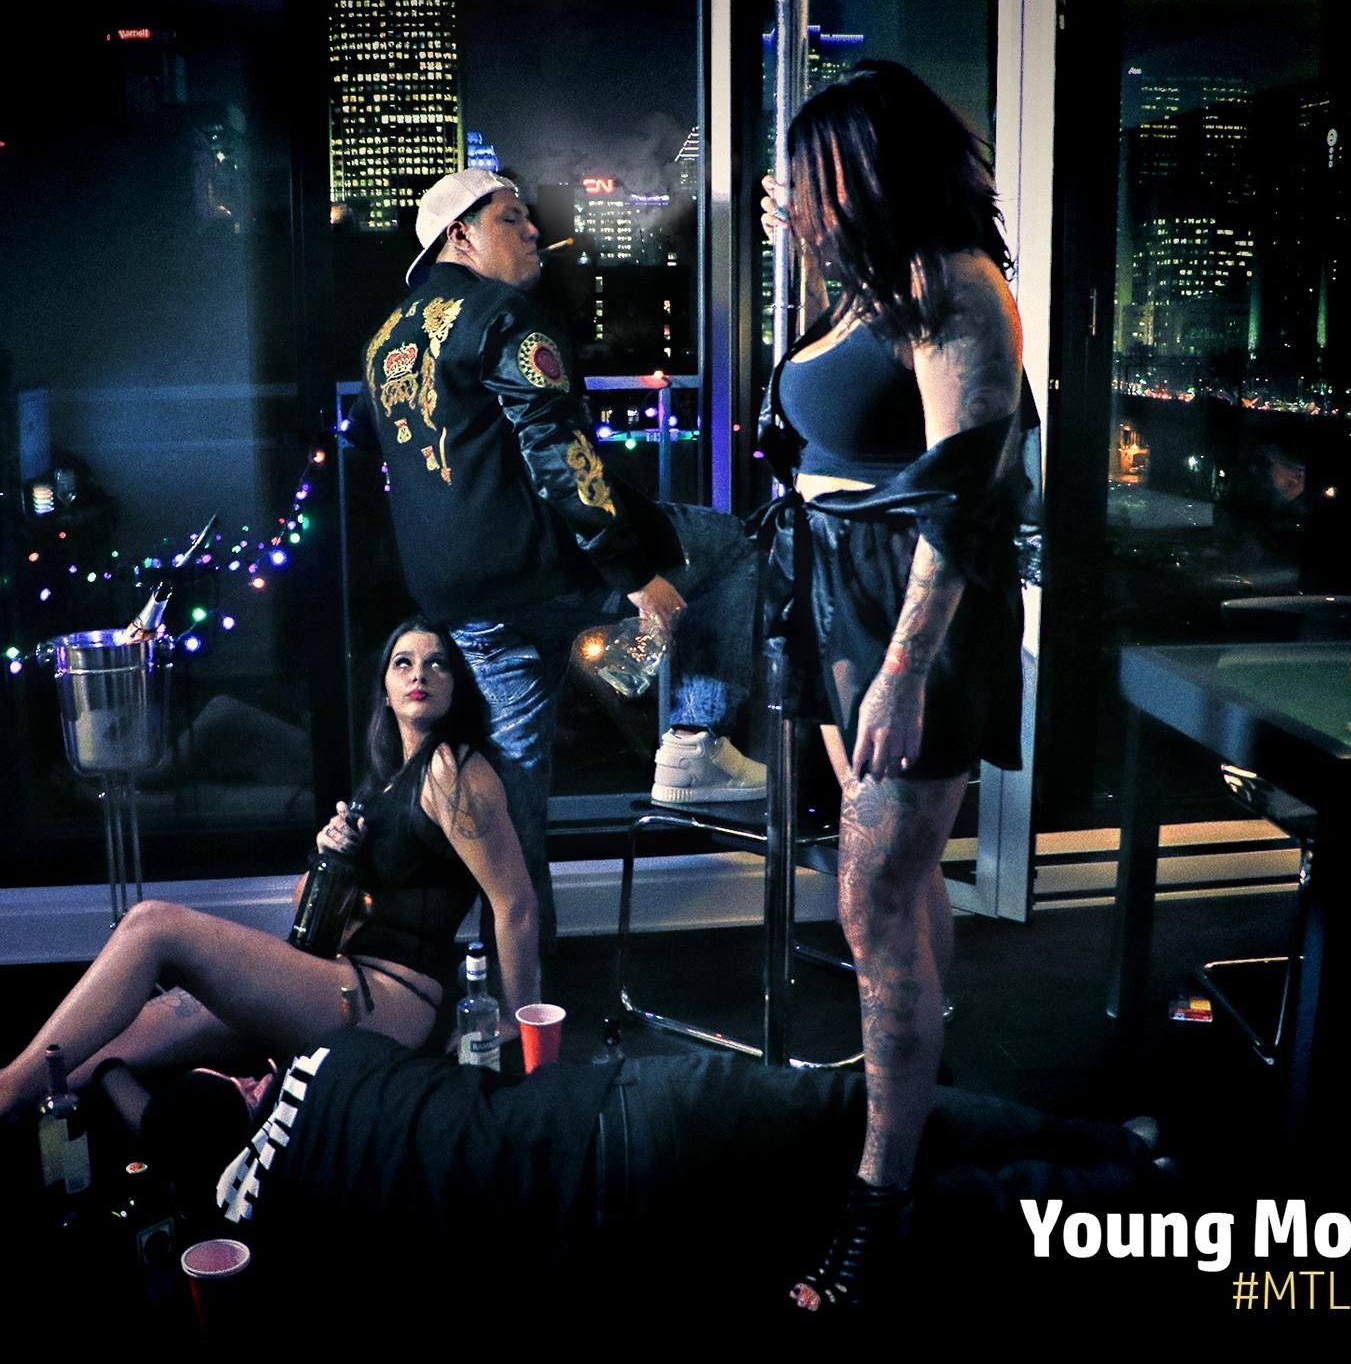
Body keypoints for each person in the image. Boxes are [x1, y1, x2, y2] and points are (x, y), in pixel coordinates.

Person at [758, 61, 1035, 1311]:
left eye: (811, 182)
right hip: (837, 594)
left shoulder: (952, 285)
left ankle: (879, 1204)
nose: (794, 204)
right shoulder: (864, 284)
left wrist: (903, 669)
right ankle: (914, 1102)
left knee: (869, 900)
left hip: (906, 616)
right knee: (896, 880)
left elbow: (965, 494)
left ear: (869, 173)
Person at [350, 168, 765, 948]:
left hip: (460, 602)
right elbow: (559, 451)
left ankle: (518, 982)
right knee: (730, 545)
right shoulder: (504, 315)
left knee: (514, 806)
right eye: (511, 218)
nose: (534, 231)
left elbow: (376, 447)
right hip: (542, 570)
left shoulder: (383, 343)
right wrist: (634, 575)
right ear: (461, 236)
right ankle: (694, 740)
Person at [203, 1029, 1165, 1329]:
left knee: (853, 1231)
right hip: (622, 1110)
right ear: (241, 1092)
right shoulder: (323, 1061)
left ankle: (1117, 1193)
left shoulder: (260, 1220)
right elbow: (408, 1053)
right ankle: (1112, 1146)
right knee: (866, 1111)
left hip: (601, 1241)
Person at [0, 617, 539, 1121]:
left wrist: (519, 1019)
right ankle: (33, 1102)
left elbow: (514, 904)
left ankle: (6, 1089)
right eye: (404, 663)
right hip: (335, 976)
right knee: (111, 1040)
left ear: (456, 686)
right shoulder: (387, 782)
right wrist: (333, 858)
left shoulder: (454, 770)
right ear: (385, 688)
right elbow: (313, 908)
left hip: (390, 1000)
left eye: (437, 663)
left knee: (152, 926)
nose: (419, 674)